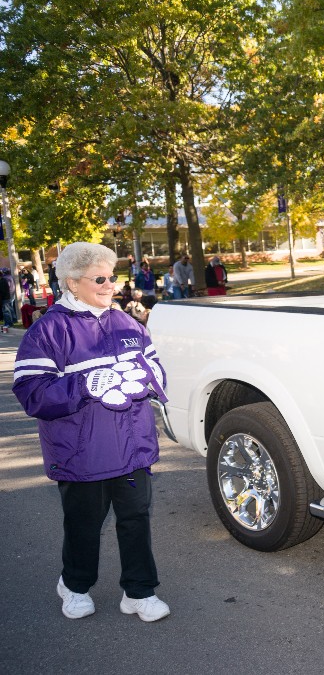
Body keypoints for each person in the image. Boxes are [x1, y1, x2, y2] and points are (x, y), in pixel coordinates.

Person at [12, 242, 170, 622]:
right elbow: (32, 392)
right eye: (99, 278)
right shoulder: (48, 331)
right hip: (82, 454)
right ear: (72, 283)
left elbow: (157, 369)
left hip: (133, 448)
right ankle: (75, 585)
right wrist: (84, 386)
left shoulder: (127, 323)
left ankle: (139, 592)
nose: (110, 285)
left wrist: (146, 380)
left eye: (112, 277)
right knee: (84, 525)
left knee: (136, 519)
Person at [0, 267, 11, 333]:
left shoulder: (3, 281)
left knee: (6, 311)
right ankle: (9, 322)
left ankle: (8, 323)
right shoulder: (3, 280)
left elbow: (3, 291)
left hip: (5, 298)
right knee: (7, 310)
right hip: (5, 297)